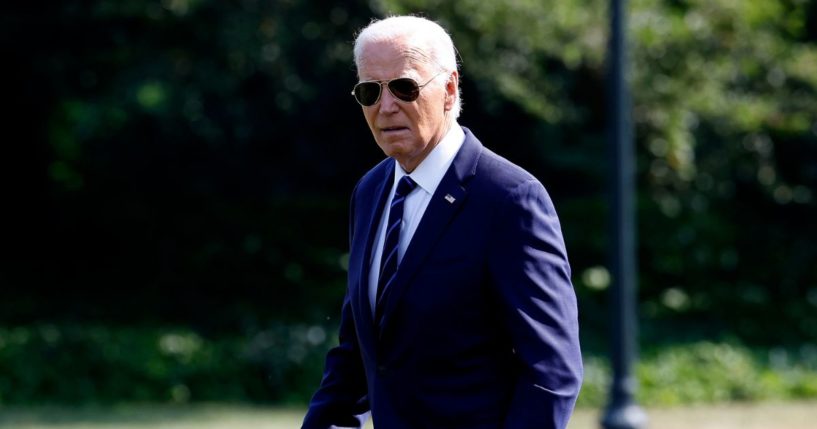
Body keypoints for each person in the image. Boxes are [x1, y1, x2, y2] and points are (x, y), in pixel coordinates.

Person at [302, 15, 582, 429]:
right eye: (369, 91)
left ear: (449, 89)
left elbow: (551, 371)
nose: (386, 106)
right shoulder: (370, 191)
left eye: (404, 86)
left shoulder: (508, 198)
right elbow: (359, 350)